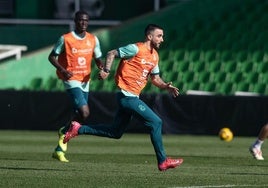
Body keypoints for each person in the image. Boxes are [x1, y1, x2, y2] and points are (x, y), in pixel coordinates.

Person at [62, 24, 183, 171]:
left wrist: (165, 86)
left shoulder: (155, 56)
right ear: (149, 36)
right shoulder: (135, 48)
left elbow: (155, 79)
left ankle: (78, 129)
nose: (162, 39)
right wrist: (106, 70)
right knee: (156, 122)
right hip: (127, 97)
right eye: (159, 36)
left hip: (131, 97)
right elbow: (112, 53)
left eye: (162, 36)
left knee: (115, 132)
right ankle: (163, 161)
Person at [48, 10, 104, 162]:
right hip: (71, 78)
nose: (83, 23)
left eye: (86, 20)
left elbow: (98, 58)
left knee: (78, 117)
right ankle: (64, 132)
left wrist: (102, 67)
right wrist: (62, 70)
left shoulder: (93, 39)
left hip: (85, 80)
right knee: (84, 112)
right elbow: (51, 56)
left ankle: (61, 144)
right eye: (80, 20)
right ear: (75, 21)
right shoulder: (65, 39)